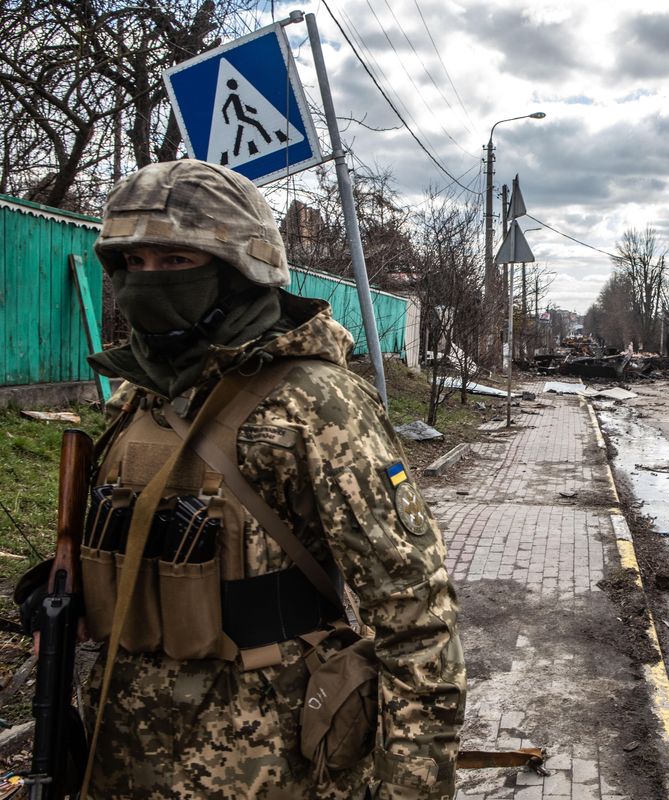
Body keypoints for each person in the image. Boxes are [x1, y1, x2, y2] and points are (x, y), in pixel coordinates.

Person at [79, 159, 464, 799]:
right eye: (133, 263)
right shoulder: (137, 397)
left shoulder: (316, 403)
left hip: (264, 763)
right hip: (120, 754)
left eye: (175, 262)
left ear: (240, 271)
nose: (147, 282)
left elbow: (416, 619)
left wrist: (411, 789)